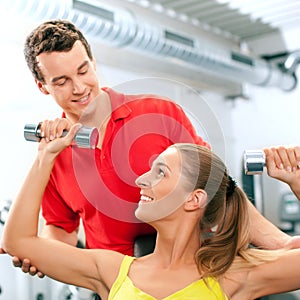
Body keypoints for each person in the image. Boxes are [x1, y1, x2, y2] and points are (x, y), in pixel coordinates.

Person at [0, 19, 298, 279]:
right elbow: (62, 229)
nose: (79, 88)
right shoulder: (52, 155)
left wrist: (278, 242)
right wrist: (39, 253)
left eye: (83, 70)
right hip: (115, 285)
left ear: (93, 62)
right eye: (62, 81)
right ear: (42, 86)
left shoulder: (159, 113)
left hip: (190, 277)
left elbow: (219, 187)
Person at [3, 129, 300, 300]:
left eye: (160, 172)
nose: (141, 180)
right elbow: (18, 241)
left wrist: (297, 182)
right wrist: (46, 155)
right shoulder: (112, 269)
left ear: (194, 199)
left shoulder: (234, 276)